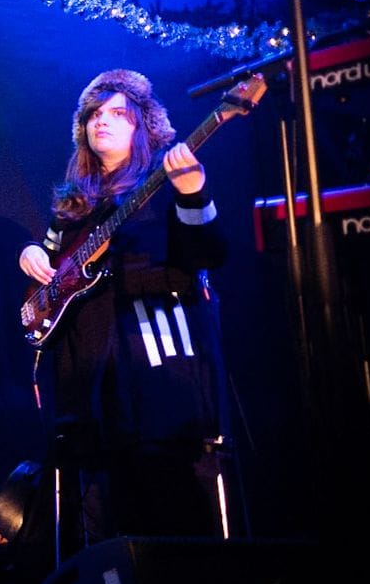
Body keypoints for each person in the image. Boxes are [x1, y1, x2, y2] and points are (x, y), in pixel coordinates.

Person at [18, 69, 229, 546]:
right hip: (87, 374)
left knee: (167, 503)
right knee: (102, 512)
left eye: (117, 113)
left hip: (153, 365)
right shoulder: (74, 202)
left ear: (143, 125)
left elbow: (210, 253)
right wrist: (30, 252)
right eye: (94, 114)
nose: (102, 121)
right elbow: (51, 259)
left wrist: (194, 193)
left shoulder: (164, 181)